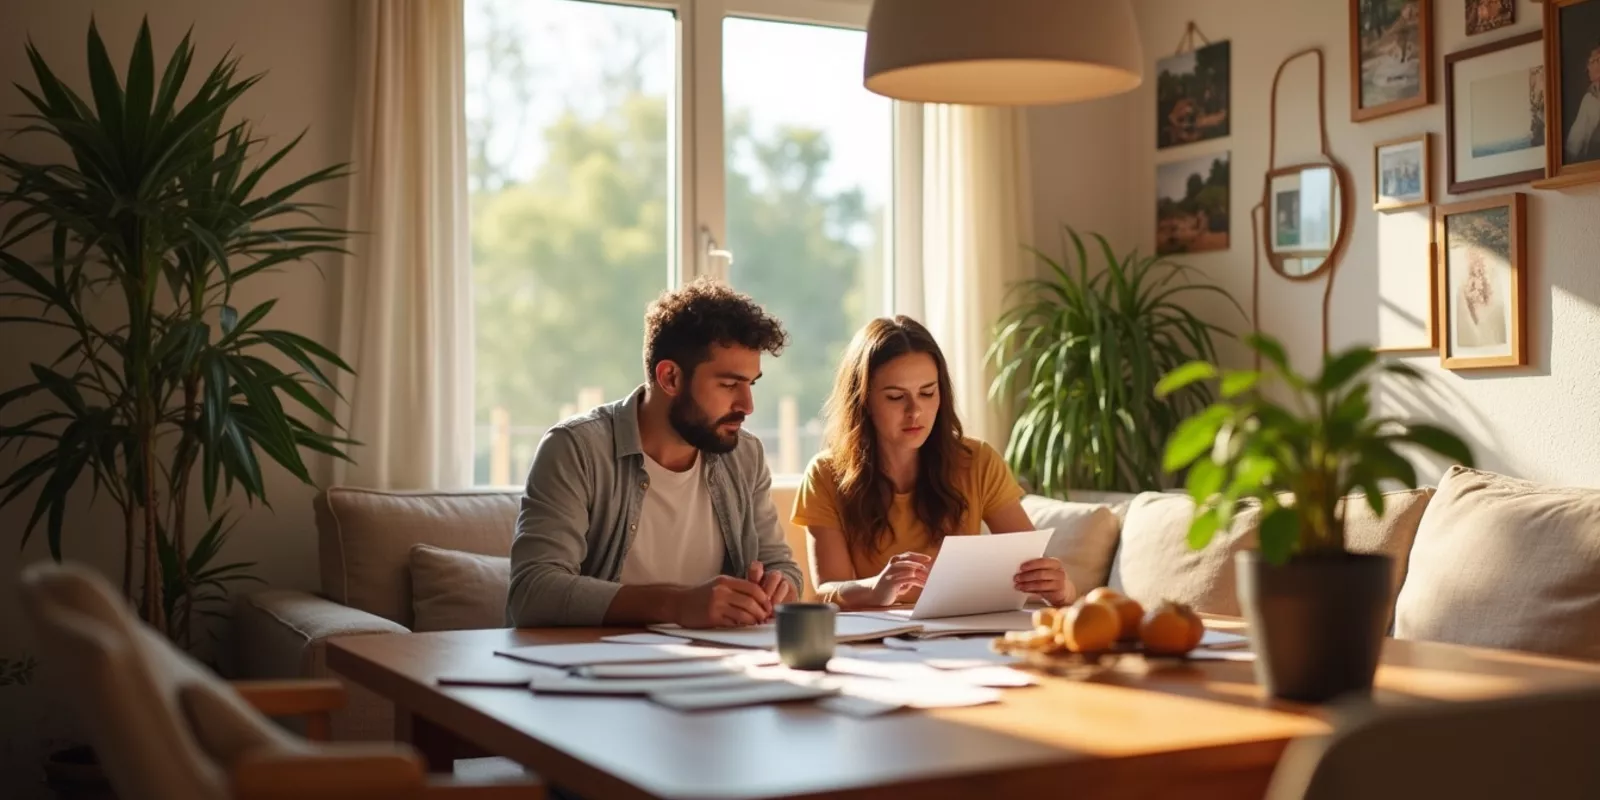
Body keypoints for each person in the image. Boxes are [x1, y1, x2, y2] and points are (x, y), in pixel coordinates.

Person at [507, 278, 801, 629]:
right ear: (671, 378)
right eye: (728, 385)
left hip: (723, 662)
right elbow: (532, 592)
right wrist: (677, 605)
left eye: (750, 385)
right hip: (602, 668)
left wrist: (777, 588)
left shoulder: (745, 454)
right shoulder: (576, 448)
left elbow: (782, 567)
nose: (747, 406)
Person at [791, 316, 1074, 610]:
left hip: (963, 633)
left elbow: (1037, 568)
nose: (915, 411)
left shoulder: (977, 461)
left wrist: (1061, 589)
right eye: (896, 397)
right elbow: (827, 589)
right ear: (862, 402)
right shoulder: (825, 474)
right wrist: (875, 588)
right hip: (879, 638)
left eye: (927, 393)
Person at [1565, 41, 1600, 164]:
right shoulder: (1589, 100)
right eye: (1590, 62)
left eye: (1596, 60)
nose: (1589, 67)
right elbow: (1573, 146)